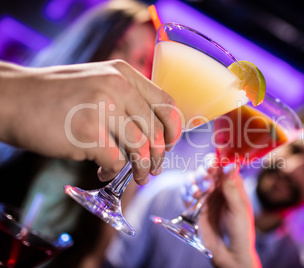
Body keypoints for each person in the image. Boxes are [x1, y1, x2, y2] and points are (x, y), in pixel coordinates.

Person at [0, 0, 182, 267]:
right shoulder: (24, 112)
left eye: (145, 61)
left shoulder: (121, 167)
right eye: (120, 45)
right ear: (89, 42)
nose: (128, 66)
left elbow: (90, 259)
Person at [103, 99, 304, 268]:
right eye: (294, 150)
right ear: (275, 143)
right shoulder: (171, 194)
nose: (292, 169)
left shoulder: (295, 264)